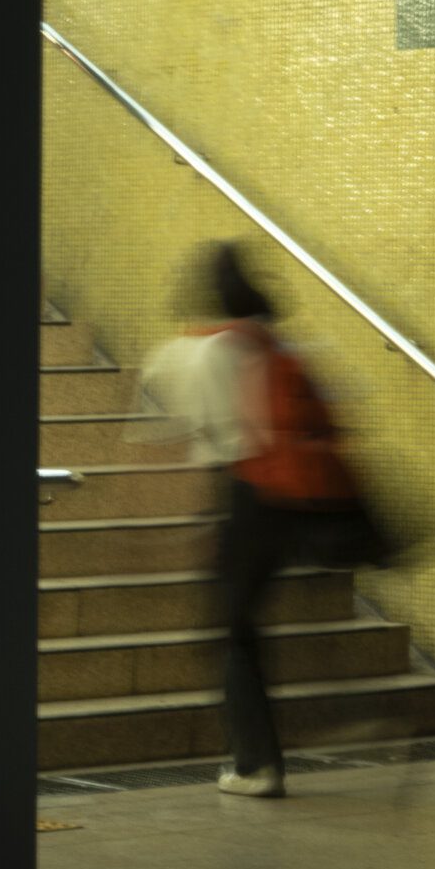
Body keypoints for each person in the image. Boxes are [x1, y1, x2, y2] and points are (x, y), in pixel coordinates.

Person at [145, 242, 373, 800]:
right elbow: (342, 402)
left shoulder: (199, 351)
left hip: (246, 494)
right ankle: (342, 720)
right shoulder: (279, 342)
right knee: (252, 625)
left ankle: (256, 764)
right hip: (301, 499)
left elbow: (186, 424)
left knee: (232, 633)